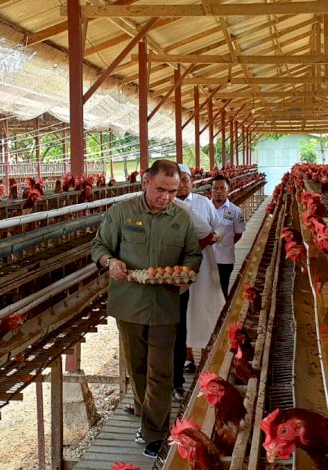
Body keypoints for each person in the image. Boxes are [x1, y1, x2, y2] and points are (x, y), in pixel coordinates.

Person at [90, 159, 203, 458]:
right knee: (138, 369)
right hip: (129, 305)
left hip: (165, 305)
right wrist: (110, 262)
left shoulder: (182, 218)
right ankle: (145, 414)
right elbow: (99, 246)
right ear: (145, 182)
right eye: (160, 190)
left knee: (161, 373)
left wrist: (186, 271)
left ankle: (156, 433)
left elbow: (193, 254)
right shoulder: (121, 212)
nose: (166, 197)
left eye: (173, 191)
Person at [172, 164, 224, 402]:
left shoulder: (203, 203)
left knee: (202, 310)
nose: (182, 184)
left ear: (191, 182)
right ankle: (186, 360)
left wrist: (216, 235)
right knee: (181, 317)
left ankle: (203, 358)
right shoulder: (167, 204)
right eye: (178, 180)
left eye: (185, 179)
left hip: (202, 265)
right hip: (176, 267)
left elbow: (216, 226)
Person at [210, 174, 245, 297]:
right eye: (215, 188)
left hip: (224, 259)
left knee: (222, 291)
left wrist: (226, 243)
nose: (218, 191)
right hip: (205, 259)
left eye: (222, 188)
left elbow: (238, 233)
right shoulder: (203, 209)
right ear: (211, 190)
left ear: (228, 190)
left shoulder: (236, 211)